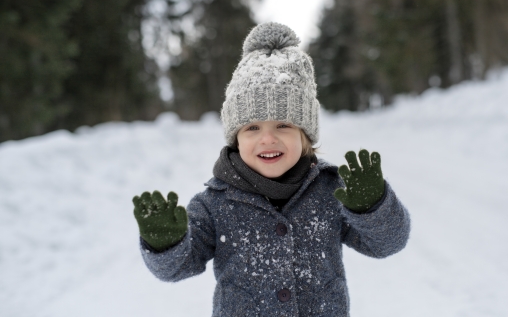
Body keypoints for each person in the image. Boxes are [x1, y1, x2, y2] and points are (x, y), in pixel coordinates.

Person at [132, 22, 411, 316]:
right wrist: (166, 245)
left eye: (283, 125)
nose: (268, 138)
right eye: (252, 127)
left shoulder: (331, 189)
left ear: (305, 134)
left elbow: (387, 244)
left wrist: (373, 207)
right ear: (236, 139)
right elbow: (178, 267)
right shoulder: (215, 203)